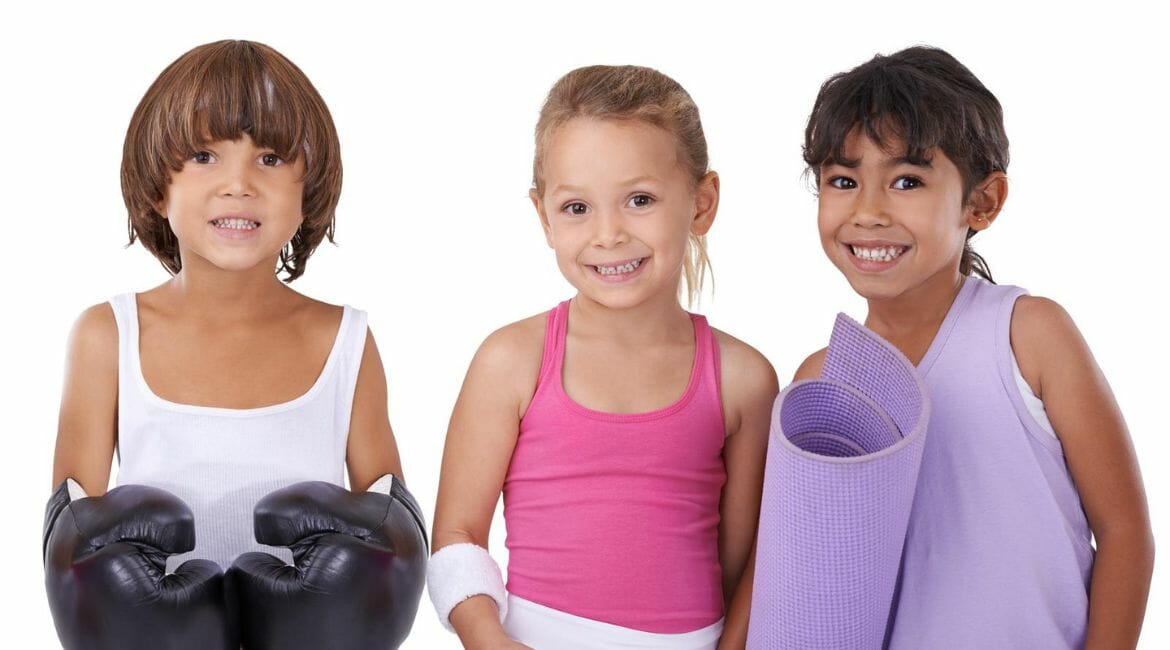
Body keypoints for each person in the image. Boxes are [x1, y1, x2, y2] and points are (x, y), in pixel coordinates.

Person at [46, 40, 425, 649]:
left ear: (310, 191)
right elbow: (76, 550)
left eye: (271, 157)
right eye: (203, 155)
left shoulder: (346, 341)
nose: (238, 184)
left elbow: (388, 538)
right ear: (156, 187)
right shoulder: (107, 336)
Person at [789, 45, 1153, 648]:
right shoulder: (820, 382)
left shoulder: (1028, 335)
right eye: (843, 180)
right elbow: (804, 573)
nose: (868, 211)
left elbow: (1123, 532)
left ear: (982, 202)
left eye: (907, 180)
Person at [428, 64, 778, 650]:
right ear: (544, 216)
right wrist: (488, 639)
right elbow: (458, 535)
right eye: (576, 208)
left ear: (701, 202)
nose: (608, 234)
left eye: (639, 199)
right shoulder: (511, 360)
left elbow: (746, 566)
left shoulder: (744, 379)